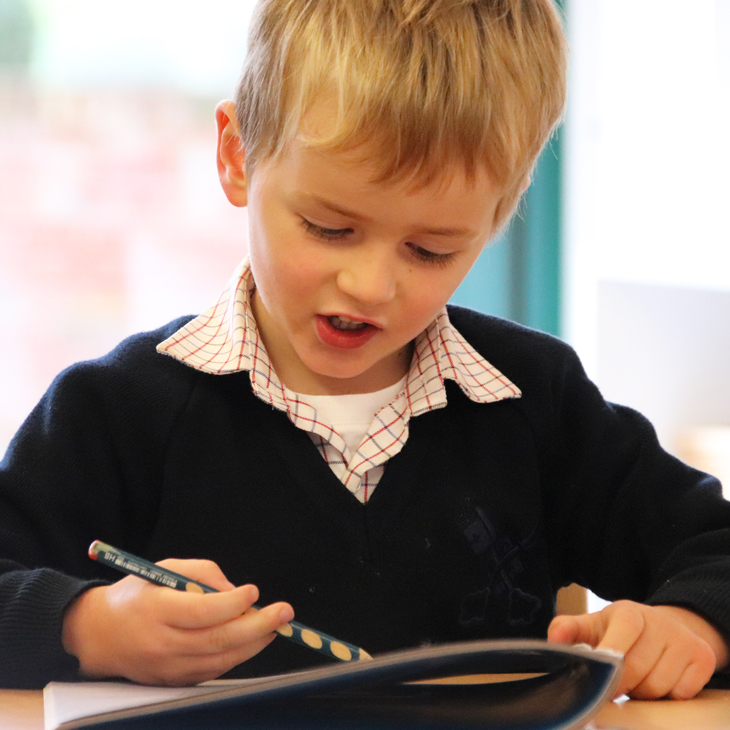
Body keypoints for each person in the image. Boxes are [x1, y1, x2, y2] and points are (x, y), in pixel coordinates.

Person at [1, 0, 729, 700]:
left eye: (430, 249)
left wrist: (691, 627)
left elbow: (712, 552)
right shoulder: (115, 412)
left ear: (498, 216)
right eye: (328, 227)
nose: (371, 284)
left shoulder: (534, 401)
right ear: (237, 156)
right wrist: (86, 627)